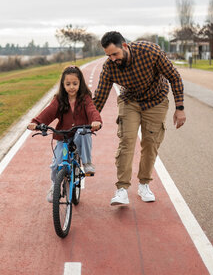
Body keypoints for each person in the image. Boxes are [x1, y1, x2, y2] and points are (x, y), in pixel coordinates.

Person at [93, 31, 186, 206]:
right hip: (130, 101)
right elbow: (100, 96)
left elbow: (174, 77)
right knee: (127, 141)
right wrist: (90, 119)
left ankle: (144, 185)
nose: (113, 59)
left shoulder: (150, 51)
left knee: (150, 143)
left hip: (156, 100)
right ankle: (121, 190)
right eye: (109, 55)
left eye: (115, 54)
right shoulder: (109, 67)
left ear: (125, 46)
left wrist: (179, 108)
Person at [28, 65, 102, 202]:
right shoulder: (59, 99)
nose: (72, 87)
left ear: (80, 83)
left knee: (83, 132)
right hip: (64, 136)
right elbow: (48, 112)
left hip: (80, 134)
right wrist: (36, 122)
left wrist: (96, 121)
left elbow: (92, 110)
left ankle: (86, 163)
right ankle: (54, 185)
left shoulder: (85, 98)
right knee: (56, 164)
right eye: (68, 84)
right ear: (63, 85)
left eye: (75, 83)